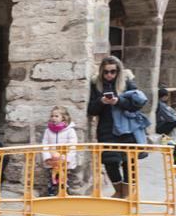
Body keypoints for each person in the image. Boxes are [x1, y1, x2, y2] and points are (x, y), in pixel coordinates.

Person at [87, 57, 148, 199]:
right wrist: (101, 102)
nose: (109, 75)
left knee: (129, 162)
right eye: (106, 72)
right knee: (110, 161)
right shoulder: (97, 85)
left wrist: (118, 101)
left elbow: (136, 105)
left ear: (118, 71)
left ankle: (128, 193)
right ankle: (119, 191)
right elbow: (91, 110)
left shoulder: (127, 82)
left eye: (113, 72)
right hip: (106, 128)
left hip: (127, 128)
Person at [40, 106, 78, 196]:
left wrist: (67, 159)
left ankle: (65, 194)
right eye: (52, 116)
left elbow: (73, 146)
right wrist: (47, 158)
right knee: (52, 179)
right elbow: (44, 145)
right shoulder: (48, 131)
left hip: (64, 161)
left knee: (64, 179)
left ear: (63, 118)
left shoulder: (70, 131)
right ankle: (51, 194)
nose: (53, 118)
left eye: (56, 116)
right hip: (52, 161)